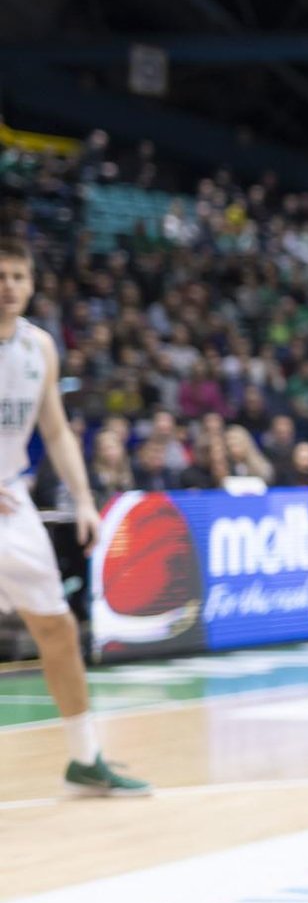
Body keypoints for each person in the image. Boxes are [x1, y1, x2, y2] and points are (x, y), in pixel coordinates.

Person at [0, 237, 151, 796]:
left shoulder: (39, 347)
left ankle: (85, 758)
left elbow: (57, 429)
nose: (8, 286)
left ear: (32, 283)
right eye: (0, 276)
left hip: (11, 501)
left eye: (18, 276)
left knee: (57, 627)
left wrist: (85, 500)